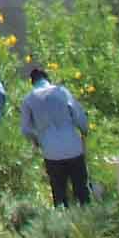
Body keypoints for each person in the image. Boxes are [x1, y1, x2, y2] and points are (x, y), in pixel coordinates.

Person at [20, 66, 90, 206]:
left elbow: (26, 129)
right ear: (47, 78)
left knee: (59, 194)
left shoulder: (28, 99)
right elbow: (79, 116)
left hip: (51, 152)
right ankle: (86, 220)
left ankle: (61, 222)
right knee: (81, 190)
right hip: (73, 147)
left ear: (32, 82)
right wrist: (84, 131)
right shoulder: (61, 92)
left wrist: (38, 140)